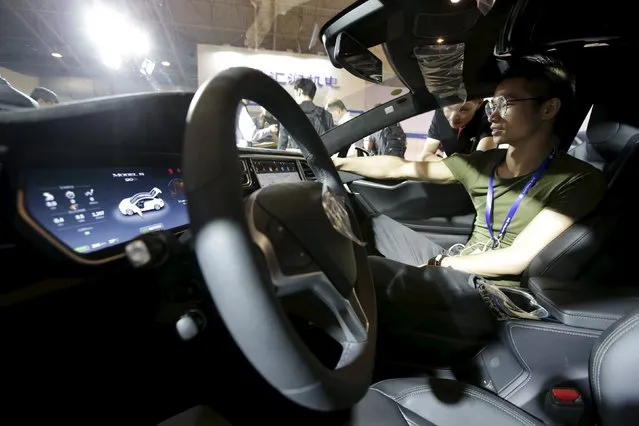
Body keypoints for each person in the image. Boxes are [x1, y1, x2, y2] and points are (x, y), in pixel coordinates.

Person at [333, 55, 607, 363]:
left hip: (491, 294)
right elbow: (404, 167)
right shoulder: (484, 164)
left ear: (549, 108)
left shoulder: (578, 180)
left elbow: (516, 260)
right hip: (460, 264)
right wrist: (335, 161)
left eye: (508, 103)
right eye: (493, 104)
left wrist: (443, 264)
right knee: (372, 223)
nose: (493, 114)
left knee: (370, 271)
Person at [419, 99, 496, 160]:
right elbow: (425, 155)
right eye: (448, 108)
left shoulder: (487, 116)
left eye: (463, 110)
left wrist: (443, 162)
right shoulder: (440, 112)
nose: (453, 117)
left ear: (479, 103)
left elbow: (479, 163)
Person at [278, 78, 333, 150]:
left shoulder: (287, 113)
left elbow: (282, 146)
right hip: (319, 160)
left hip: (295, 159)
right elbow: (332, 144)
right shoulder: (327, 115)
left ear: (299, 91)